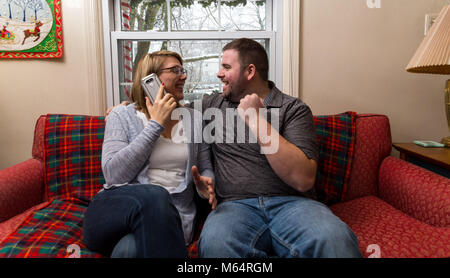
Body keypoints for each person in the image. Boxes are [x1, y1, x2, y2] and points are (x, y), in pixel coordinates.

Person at [192, 38, 362, 258]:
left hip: (294, 205)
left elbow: (303, 179)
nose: (219, 74)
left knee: (335, 240)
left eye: (226, 67)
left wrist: (256, 119)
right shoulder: (214, 105)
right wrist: (133, 106)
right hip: (234, 208)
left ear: (250, 71)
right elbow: (166, 108)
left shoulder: (293, 109)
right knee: (216, 245)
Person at [82, 50, 216, 258]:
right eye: (175, 70)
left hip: (172, 220)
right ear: (150, 79)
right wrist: (155, 125)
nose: (184, 76)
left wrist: (205, 184)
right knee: (155, 194)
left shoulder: (194, 119)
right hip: (116, 212)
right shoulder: (122, 116)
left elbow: (205, 166)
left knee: (128, 251)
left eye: (183, 70)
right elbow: (113, 175)